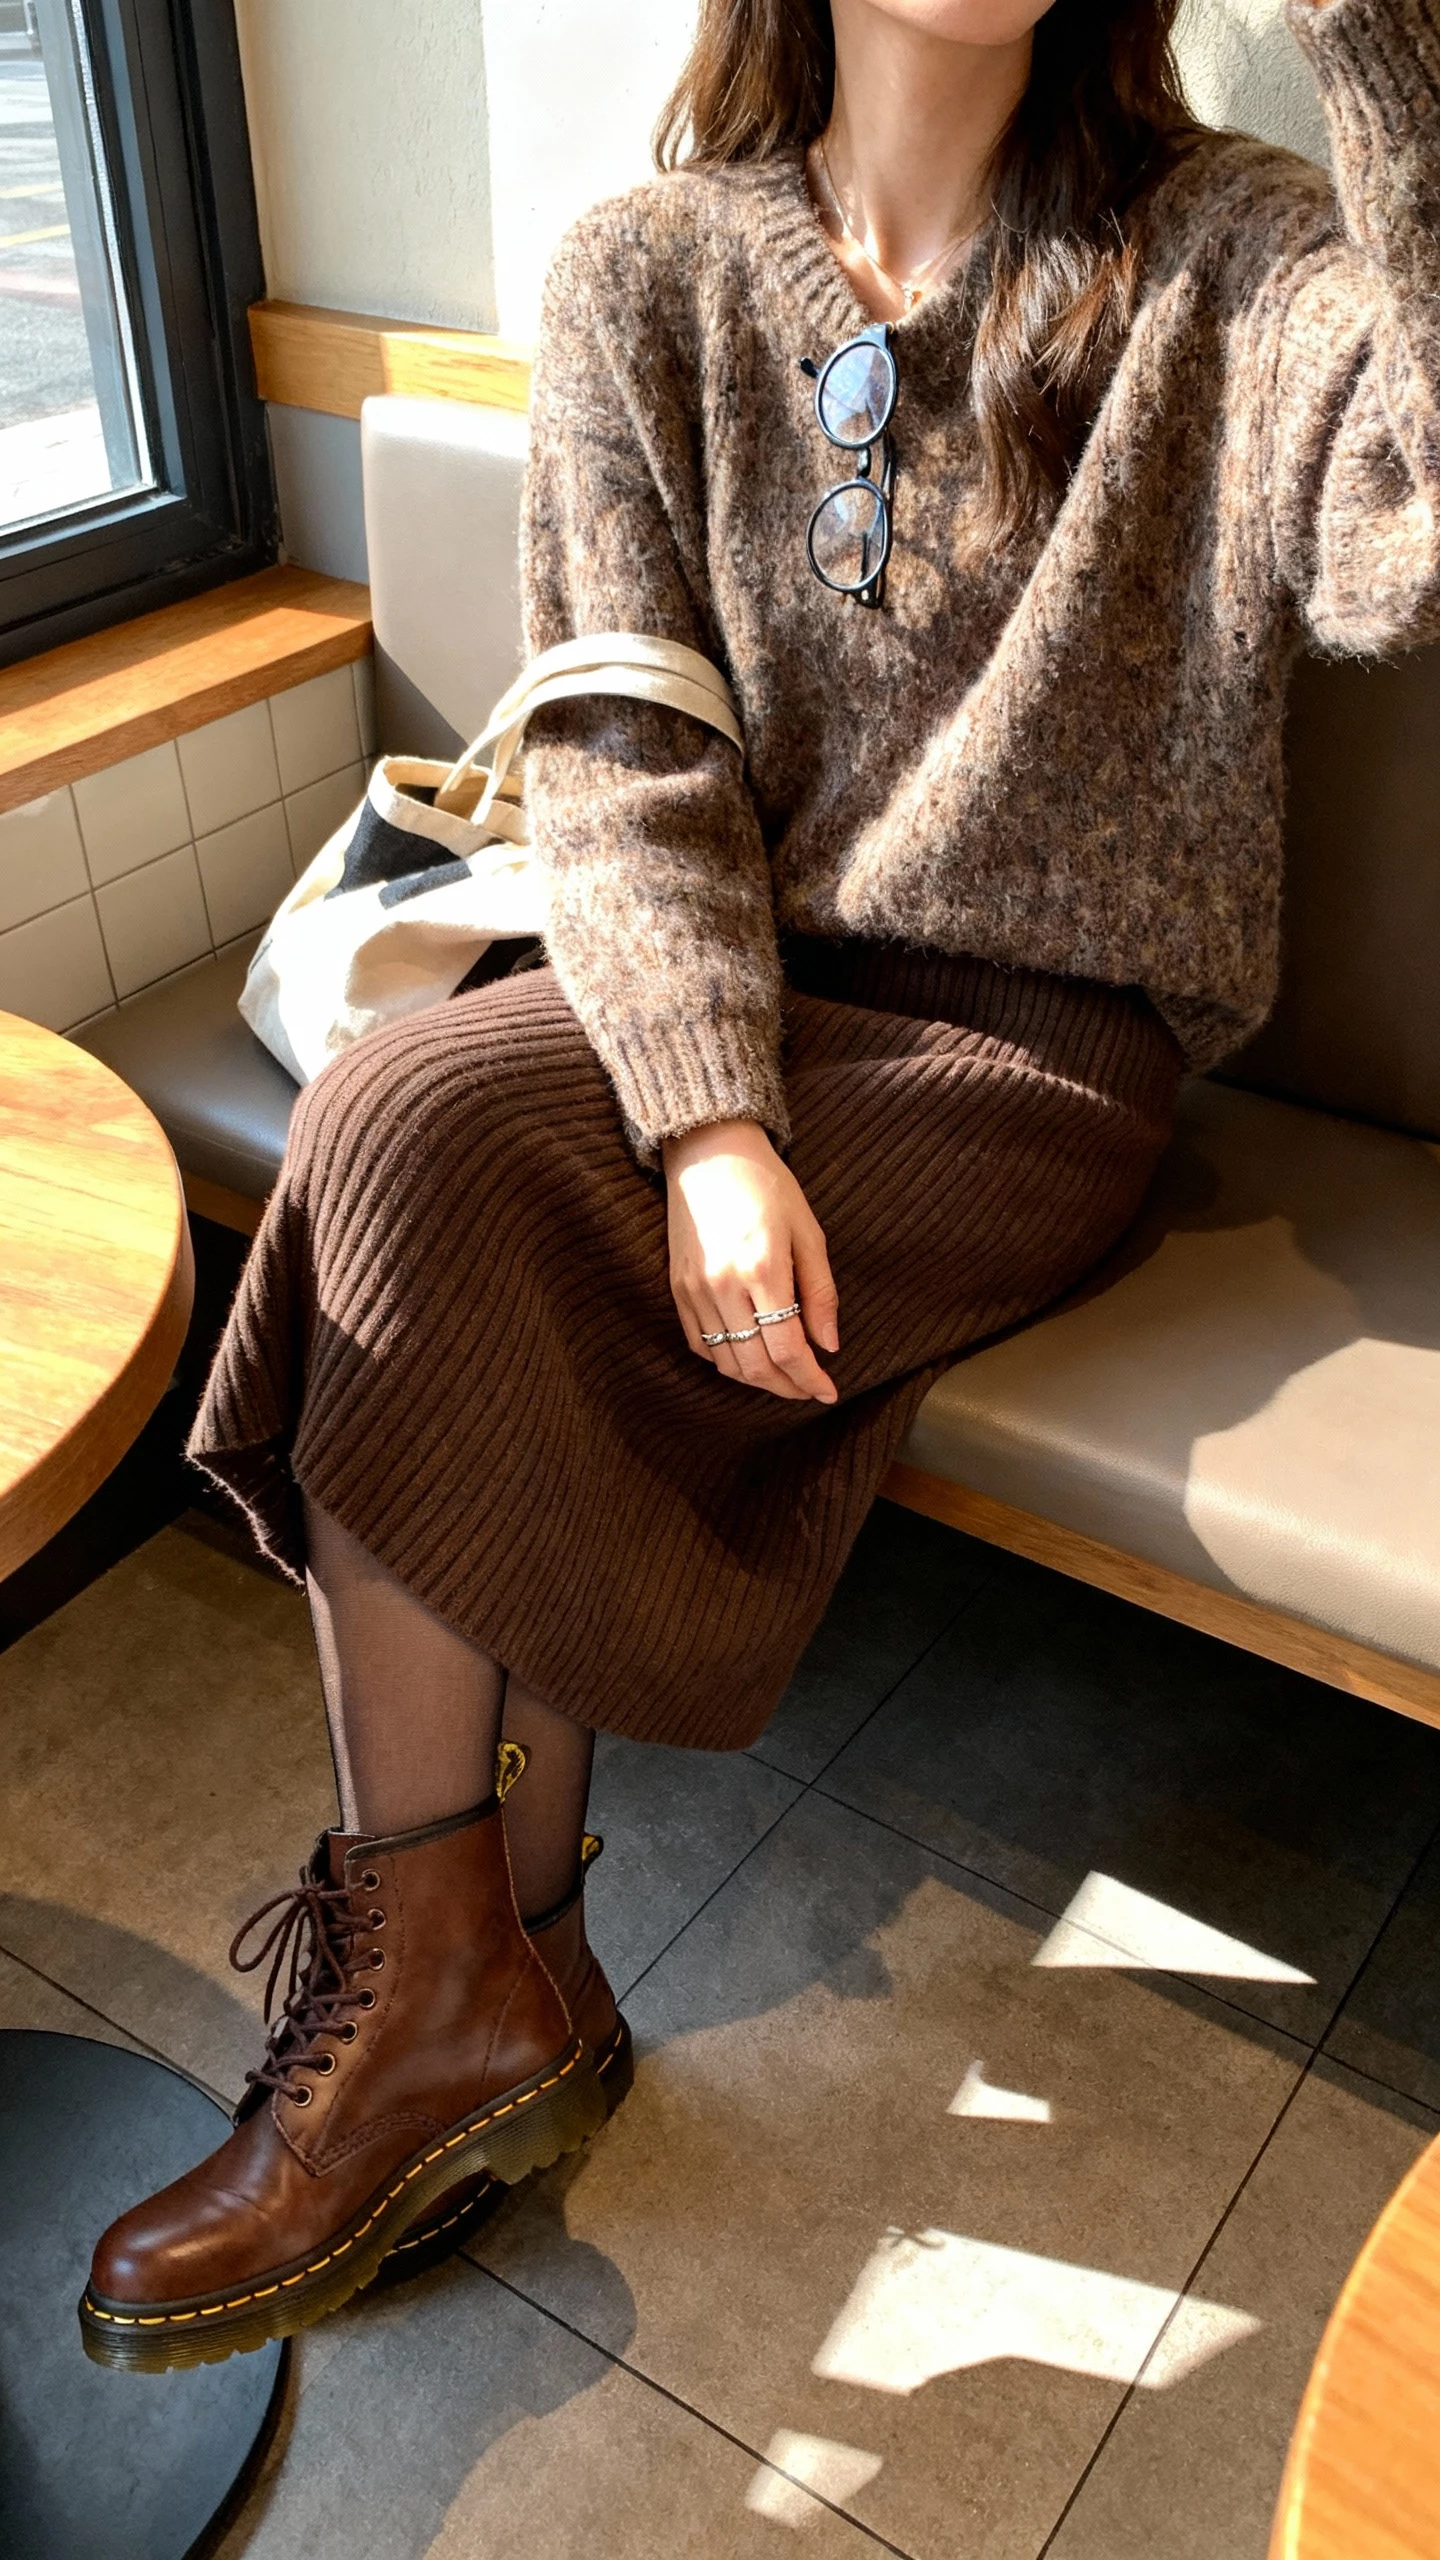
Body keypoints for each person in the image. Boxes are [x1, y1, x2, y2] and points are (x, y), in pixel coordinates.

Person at [82, 0, 1440, 2370]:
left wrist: (1382, 39)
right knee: (416, 1119)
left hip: (1040, 1051)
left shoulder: (1230, 253)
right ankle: (491, 1962)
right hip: (748, 993)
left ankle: (454, 1993)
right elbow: (617, 740)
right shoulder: (649, 267)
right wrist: (709, 1113)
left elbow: (1417, 529)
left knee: (430, 1152)